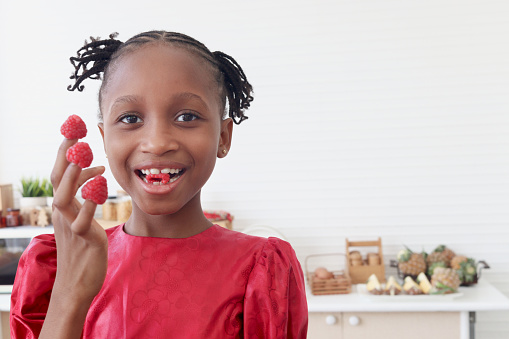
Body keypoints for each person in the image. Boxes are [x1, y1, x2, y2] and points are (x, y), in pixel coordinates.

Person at [10, 31, 308, 338]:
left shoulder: (263, 269)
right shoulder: (56, 264)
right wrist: (70, 292)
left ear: (223, 137)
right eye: (129, 119)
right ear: (104, 138)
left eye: (187, 116)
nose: (156, 143)